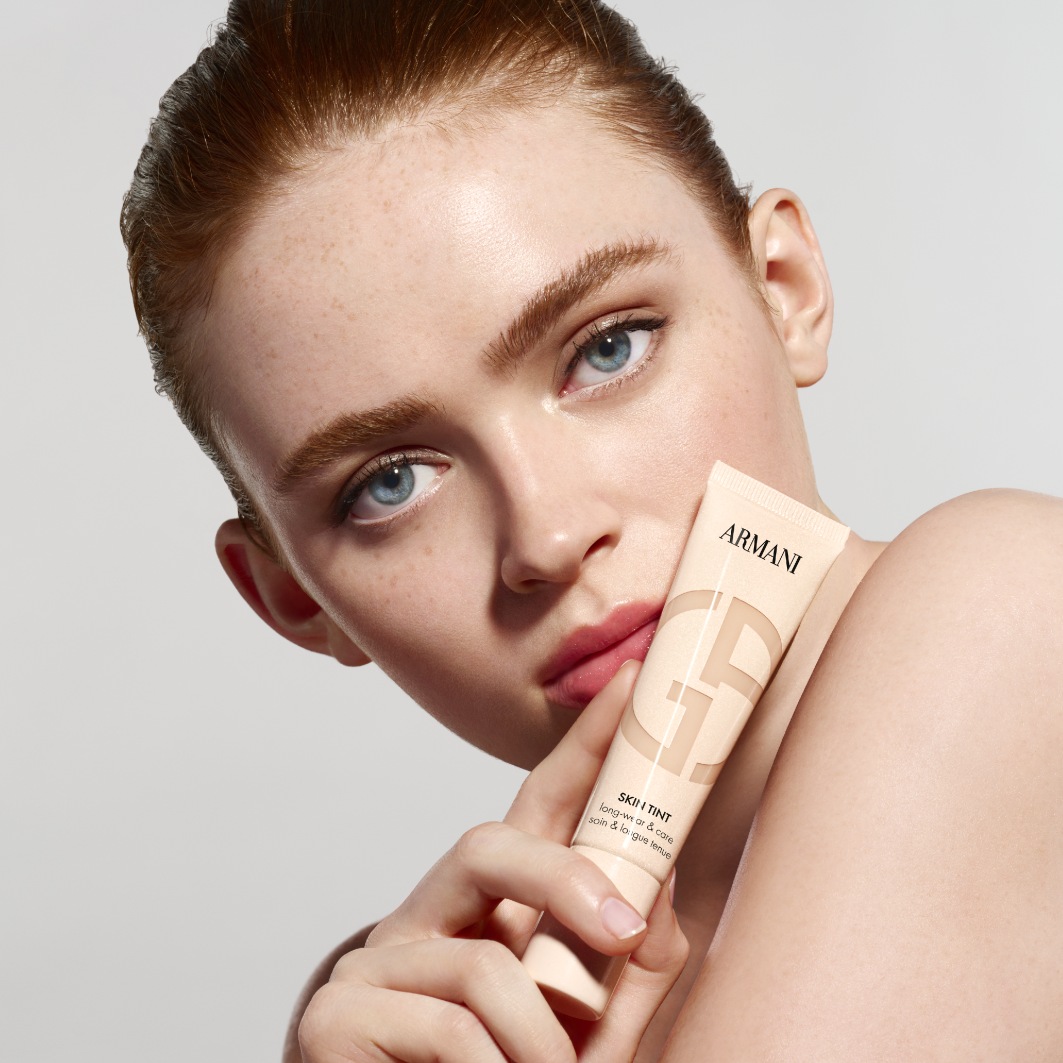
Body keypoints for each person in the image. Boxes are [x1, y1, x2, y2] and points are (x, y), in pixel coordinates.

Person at [121, 1, 1063, 1059]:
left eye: (607, 348)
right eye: (389, 482)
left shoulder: (1005, 607)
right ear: (295, 597)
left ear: (784, 289)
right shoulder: (428, 1001)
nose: (547, 536)